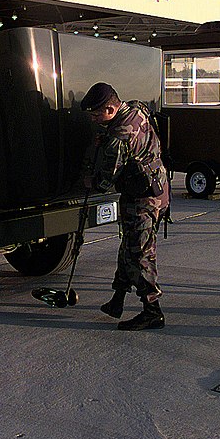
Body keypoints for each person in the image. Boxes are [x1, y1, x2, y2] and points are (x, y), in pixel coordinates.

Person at [81, 82, 170, 331]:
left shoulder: (118, 136)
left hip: (143, 199)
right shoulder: (135, 108)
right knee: (129, 247)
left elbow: (105, 181)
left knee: (140, 253)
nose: (94, 119)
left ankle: (152, 311)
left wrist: (91, 179)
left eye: (97, 114)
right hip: (157, 188)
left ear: (111, 108)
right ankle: (117, 299)